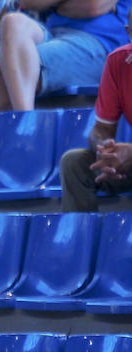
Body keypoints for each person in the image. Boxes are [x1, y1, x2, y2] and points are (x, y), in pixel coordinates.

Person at [0, 0, 130, 110]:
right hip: (55, 33)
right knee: (12, 22)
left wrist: (55, 5)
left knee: (0, 65)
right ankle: (25, 123)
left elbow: (93, 5)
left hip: (100, 41)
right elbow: (28, 1)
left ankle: (25, 126)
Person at [60, 18, 132, 209]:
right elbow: (101, 129)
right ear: (129, 32)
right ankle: (76, 237)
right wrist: (104, 150)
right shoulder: (118, 62)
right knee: (74, 163)